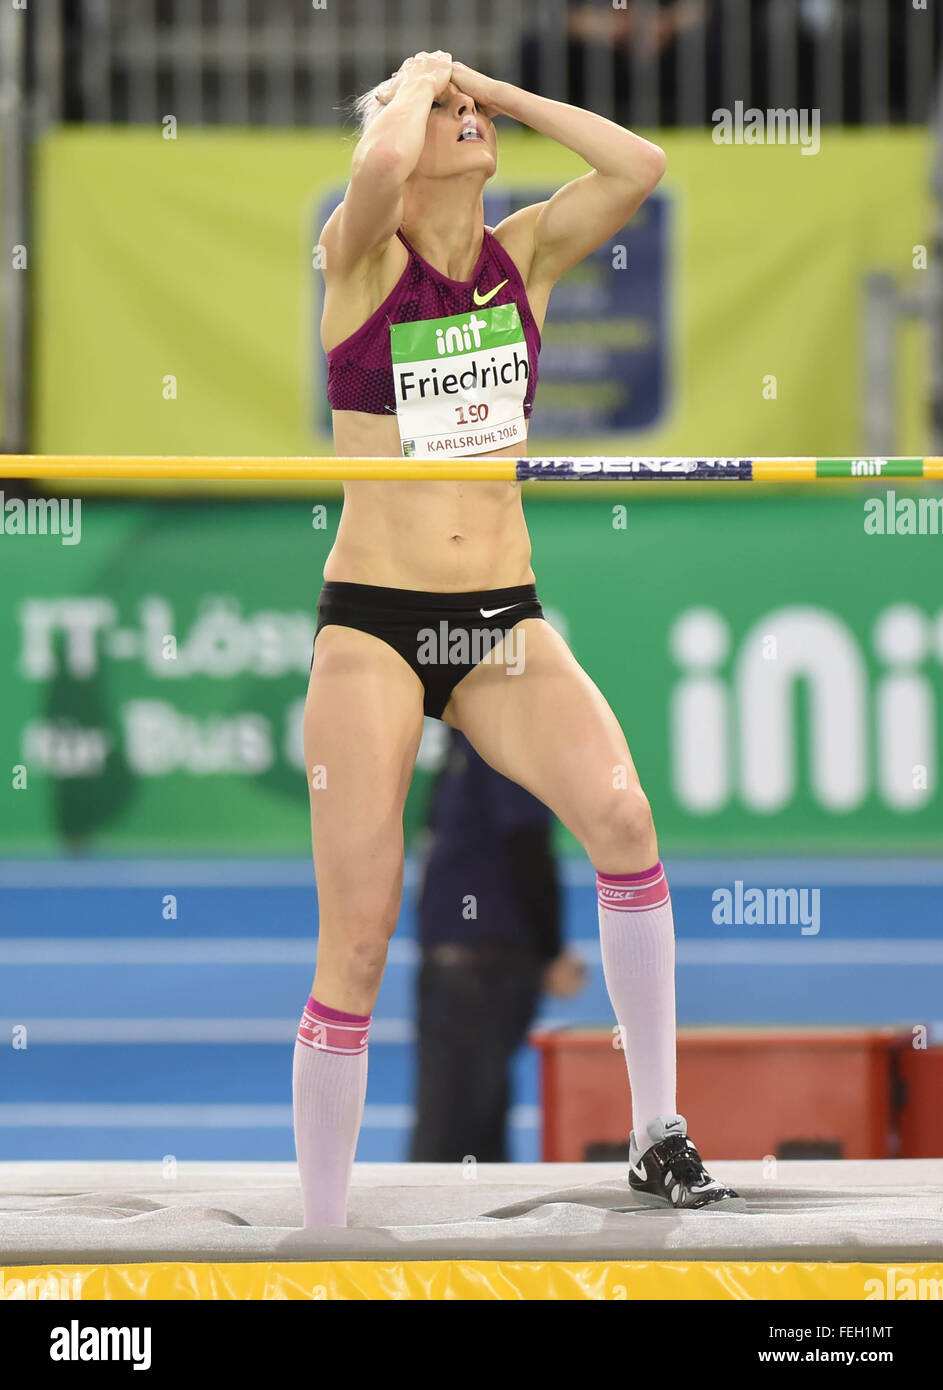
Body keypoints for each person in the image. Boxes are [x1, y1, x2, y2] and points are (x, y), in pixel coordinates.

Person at [293, 48, 745, 1226]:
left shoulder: (526, 253)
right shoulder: (359, 258)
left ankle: (656, 1133)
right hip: (378, 627)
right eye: (448, 114)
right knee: (359, 936)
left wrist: (492, 88)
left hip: (500, 620)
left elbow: (637, 163)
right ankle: (326, 1231)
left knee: (624, 818)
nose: (464, 121)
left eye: (469, 111)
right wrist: (409, 87)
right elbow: (381, 162)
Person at [410, 727, 584, 1163]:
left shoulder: (498, 739)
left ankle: (450, 1227)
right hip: (462, 968)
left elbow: (527, 845)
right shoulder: (460, 742)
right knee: (471, 1134)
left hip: (479, 970)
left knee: (449, 1141)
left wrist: (550, 950)